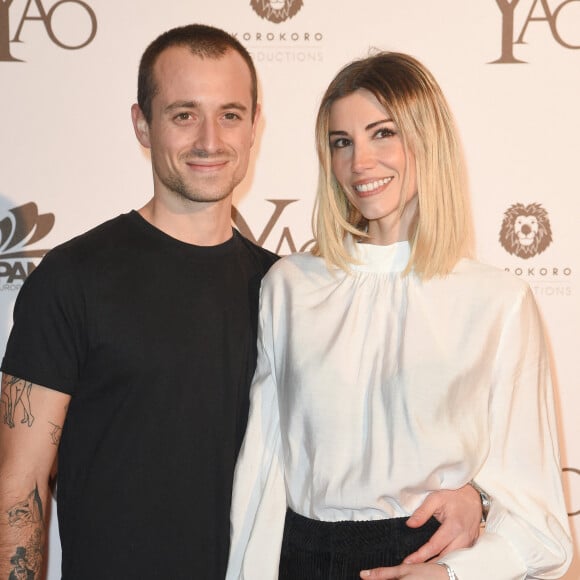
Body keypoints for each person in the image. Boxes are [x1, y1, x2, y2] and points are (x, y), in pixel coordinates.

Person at [0, 26, 482, 580]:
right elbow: (20, 485)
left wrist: (477, 495)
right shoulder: (72, 278)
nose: (210, 139)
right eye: (184, 115)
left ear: (255, 125)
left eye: (229, 115)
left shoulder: (288, 289)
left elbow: (365, 443)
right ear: (142, 124)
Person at [226, 52, 573, 580]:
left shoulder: (497, 301)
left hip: (427, 560)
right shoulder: (290, 288)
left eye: (382, 133)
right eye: (342, 142)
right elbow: (262, 476)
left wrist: (455, 574)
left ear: (426, 139)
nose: (360, 162)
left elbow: (540, 522)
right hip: (301, 558)